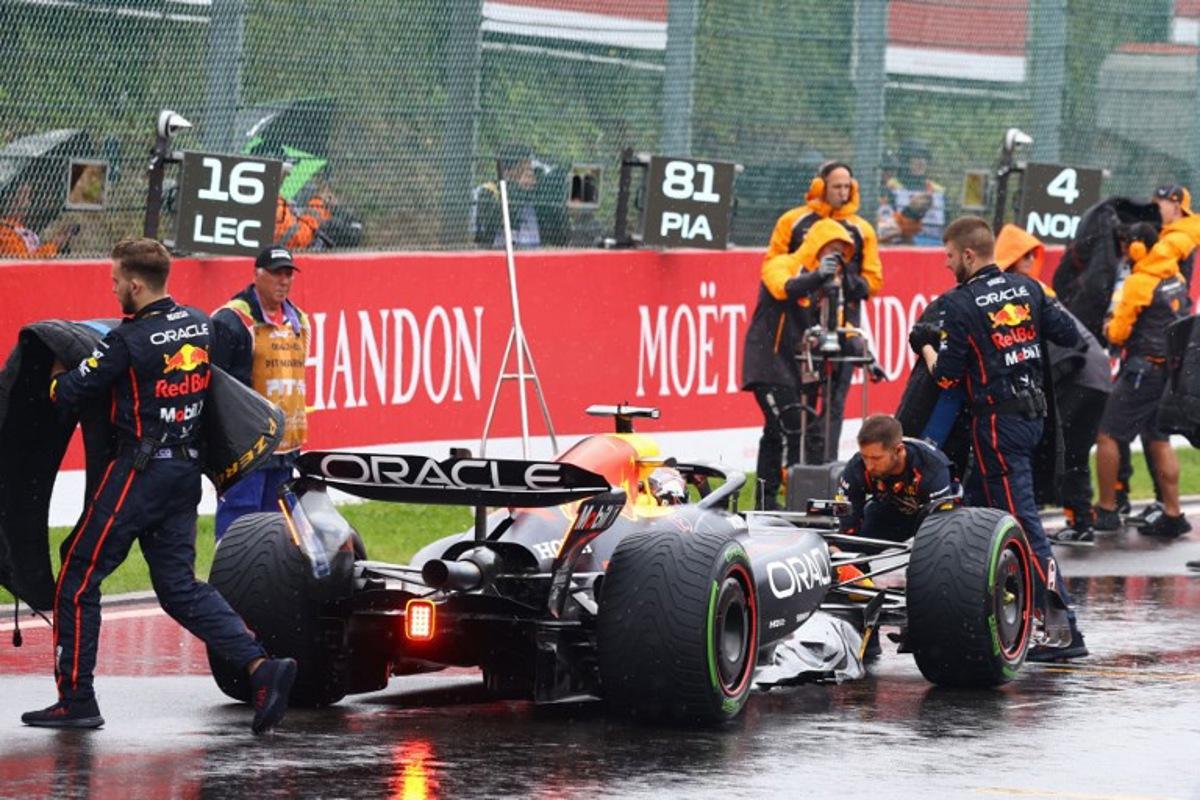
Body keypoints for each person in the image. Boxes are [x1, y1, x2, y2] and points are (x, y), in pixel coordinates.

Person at [23, 238, 296, 732]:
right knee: (178, 587)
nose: (111, 290)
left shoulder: (125, 341)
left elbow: (71, 392)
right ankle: (261, 666)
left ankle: (76, 699)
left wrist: (55, 374)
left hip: (139, 473)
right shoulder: (199, 323)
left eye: (113, 281)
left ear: (134, 283)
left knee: (78, 574)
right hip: (185, 475)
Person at [918, 216, 1087, 660]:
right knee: (970, 518)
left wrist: (926, 345)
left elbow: (949, 378)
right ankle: (971, 617)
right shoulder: (1029, 288)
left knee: (1023, 526)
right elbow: (1071, 336)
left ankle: (1063, 629)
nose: (946, 263)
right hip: (1033, 418)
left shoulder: (960, 304)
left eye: (950, 256)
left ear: (968, 255)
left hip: (997, 425)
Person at [992, 225, 1114, 546]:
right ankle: (1079, 519)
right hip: (1095, 373)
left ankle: (1062, 521)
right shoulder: (1040, 290)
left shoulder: (1023, 293)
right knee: (1073, 449)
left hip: (1080, 374)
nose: (1032, 261)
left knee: (1062, 448)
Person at [759, 161, 884, 466]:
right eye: (836, 186)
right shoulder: (793, 221)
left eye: (847, 186)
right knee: (794, 408)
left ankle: (824, 474)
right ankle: (791, 473)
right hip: (800, 330)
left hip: (842, 326)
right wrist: (812, 278)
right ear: (821, 187)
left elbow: (874, 282)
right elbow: (776, 267)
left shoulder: (861, 229)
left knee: (834, 406)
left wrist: (843, 280)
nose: (842, 192)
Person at [741, 218, 856, 510]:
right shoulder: (781, 263)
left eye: (840, 252)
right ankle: (782, 498)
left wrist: (859, 347)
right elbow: (784, 289)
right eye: (830, 249)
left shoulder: (828, 286)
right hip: (768, 363)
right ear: (816, 245)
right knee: (787, 425)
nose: (834, 258)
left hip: (798, 368)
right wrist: (817, 275)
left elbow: (836, 324)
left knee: (786, 429)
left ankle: (781, 499)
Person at [1092, 219, 1192, 539]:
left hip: (1143, 370)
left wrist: (1108, 326)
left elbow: (1119, 332)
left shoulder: (1140, 282)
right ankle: (1173, 513)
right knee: (1158, 438)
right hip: (1171, 370)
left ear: (1137, 247)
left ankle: (1106, 509)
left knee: (1107, 434)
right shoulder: (1175, 274)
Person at [210, 245, 310, 540]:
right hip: (246, 445)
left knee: (276, 524)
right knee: (241, 519)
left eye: (288, 274)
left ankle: (268, 583)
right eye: (276, 273)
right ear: (257, 275)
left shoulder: (298, 321)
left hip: (285, 446)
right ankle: (229, 581)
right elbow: (216, 383)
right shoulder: (232, 320)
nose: (283, 280)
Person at [837, 414, 960, 543]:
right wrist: (842, 546)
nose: (869, 466)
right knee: (858, 528)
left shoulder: (932, 467)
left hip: (939, 516)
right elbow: (842, 506)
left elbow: (941, 527)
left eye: (876, 458)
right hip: (891, 511)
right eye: (864, 457)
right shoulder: (857, 465)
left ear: (899, 450)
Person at [472, 144, 569, 249]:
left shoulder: (538, 196)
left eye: (530, 169)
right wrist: (518, 190)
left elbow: (560, 235)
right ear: (506, 172)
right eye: (523, 169)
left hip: (536, 254)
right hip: (500, 252)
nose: (529, 174)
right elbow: (488, 228)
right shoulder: (488, 191)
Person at [881, 140, 946, 246]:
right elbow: (884, 227)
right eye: (915, 158)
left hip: (935, 246)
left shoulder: (938, 191)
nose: (921, 162)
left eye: (923, 158)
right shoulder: (891, 189)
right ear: (905, 161)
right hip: (900, 245)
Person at [0, 181, 76, 258]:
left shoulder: (18, 226)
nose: (28, 203)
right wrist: (54, 245)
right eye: (24, 198)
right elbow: (25, 259)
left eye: (28, 198)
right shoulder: (4, 230)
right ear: (11, 200)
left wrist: (59, 239)